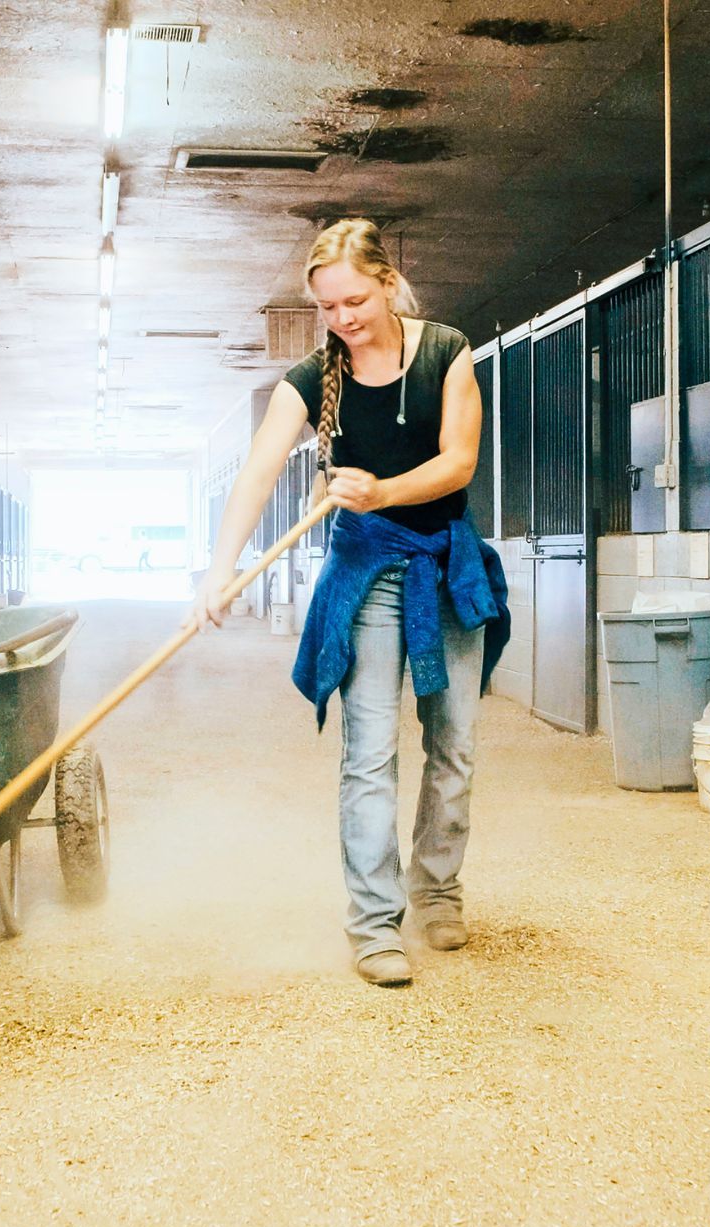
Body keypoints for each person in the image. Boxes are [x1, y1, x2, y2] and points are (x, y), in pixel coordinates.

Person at [191, 219, 510, 988]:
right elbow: (257, 474)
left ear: (389, 283)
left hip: (445, 569)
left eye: (355, 301)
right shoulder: (310, 380)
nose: (344, 320)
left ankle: (437, 890)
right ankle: (374, 924)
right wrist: (218, 569)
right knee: (369, 755)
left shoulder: (445, 350)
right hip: (367, 576)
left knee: (455, 747)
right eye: (328, 307)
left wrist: (381, 492)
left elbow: (459, 461)